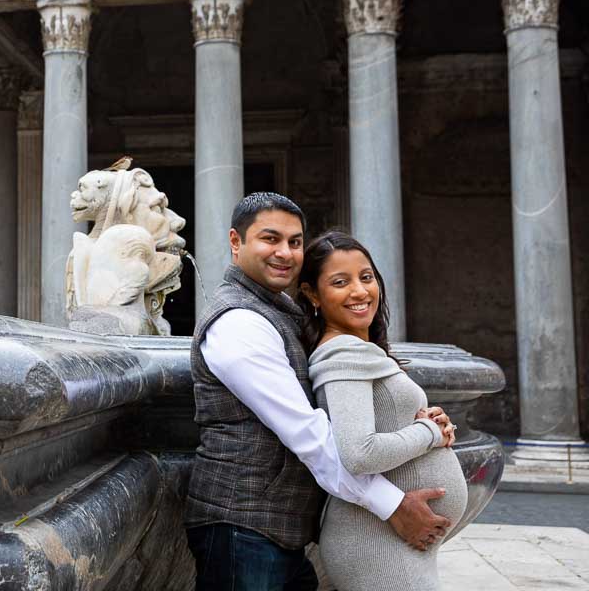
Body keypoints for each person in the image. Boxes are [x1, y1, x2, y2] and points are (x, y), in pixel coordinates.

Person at [183, 192, 451, 590]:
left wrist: (416, 422)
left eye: (294, 241)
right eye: (270, 239)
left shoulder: (278, 310)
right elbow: (307, 433)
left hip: (276, 529)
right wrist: (393, 505)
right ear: (236, 242)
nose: (285, 253)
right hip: (243, 527)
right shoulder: (238, 322)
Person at [298, 231, 467, 591]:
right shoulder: (343, 352)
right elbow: (360, 452)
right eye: (340, 282)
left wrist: (429, 423)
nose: (360, 291)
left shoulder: (358, 348)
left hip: (390, 540)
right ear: (313, 294)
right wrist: (429, 434)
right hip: (374, 541)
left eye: (367, 277)